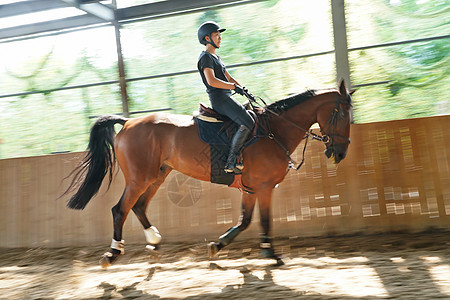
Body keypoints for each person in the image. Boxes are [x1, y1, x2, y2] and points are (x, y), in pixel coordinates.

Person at [197, 21, 255, 173]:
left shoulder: (216, 57)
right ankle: (231, 161)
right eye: (217, 35)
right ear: (207, 39)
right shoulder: (205, 58)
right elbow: (212, 81)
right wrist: (233, 87)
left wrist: (243, 89)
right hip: (220, 100)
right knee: (248, 121)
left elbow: (228, 78)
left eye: (219, 35)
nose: (220, 38)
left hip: (226, 96)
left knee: (251, 113)